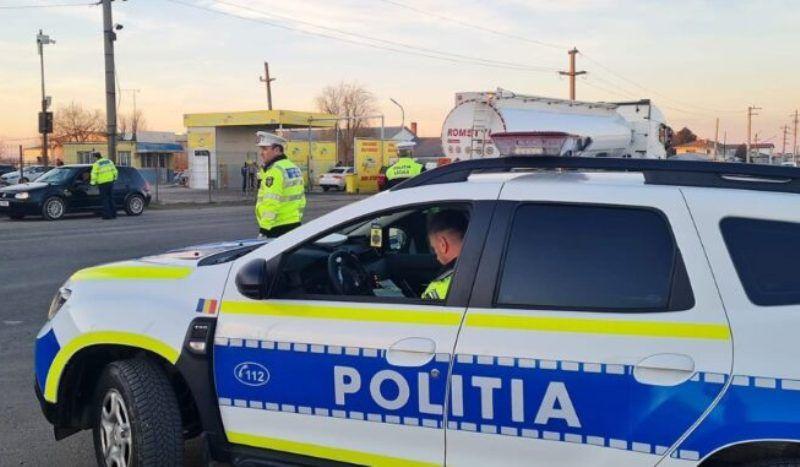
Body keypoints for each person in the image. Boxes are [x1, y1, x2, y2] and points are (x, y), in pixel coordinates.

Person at [255, 131, 306, 238]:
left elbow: (271, 202)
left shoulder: (275, 170)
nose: (261, 153)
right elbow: (301, 199)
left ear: (277, 150)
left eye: (265, 149)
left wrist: (264, 229)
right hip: (294, 222)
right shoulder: (293, 167)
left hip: (276, 226)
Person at [422, 209, 468, 300]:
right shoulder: (488, 264)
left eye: (434, 249)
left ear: (442, 244)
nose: (437, 258)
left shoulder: (437, 291)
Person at [90, 152, 118, 220]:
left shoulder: (96, 164)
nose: (93, 159)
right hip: (110, 182)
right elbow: (115, 171)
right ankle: (114, 214)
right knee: (111, 198)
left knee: (105, 200)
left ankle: (107, 215)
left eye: (93, 158)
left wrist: (93, 183)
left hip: (102, 184)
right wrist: (115, 178)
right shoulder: (109, 161)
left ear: (96, 157)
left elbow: (94, 174)